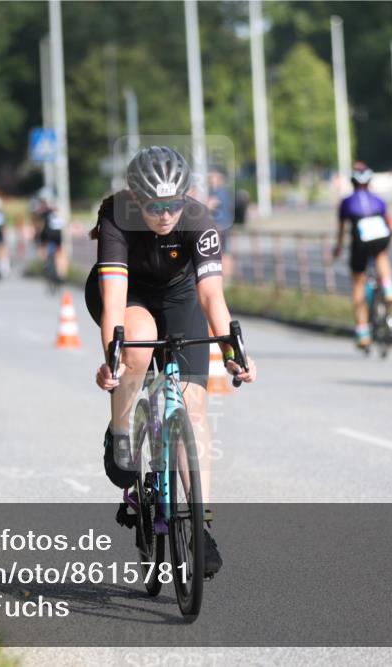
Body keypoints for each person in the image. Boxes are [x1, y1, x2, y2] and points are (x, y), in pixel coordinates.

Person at [86, 146, 257, 576]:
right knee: (139, 343)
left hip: (180, 297)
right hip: (130, 294)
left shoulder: (198, 220)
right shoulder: (117, 218)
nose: (166, 215)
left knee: (193, 407)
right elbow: (113, 304)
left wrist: (234, 354)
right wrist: (112, 360)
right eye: (155, 207)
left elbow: (211, 297)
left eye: (174, 205)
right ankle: (120, 430)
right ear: (136, 199)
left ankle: (200, 526)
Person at [333, 162, 392, 349]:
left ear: (352, 183)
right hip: (381, 237)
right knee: (381, 255)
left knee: (358, 283)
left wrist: (338, 249)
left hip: (360, 242)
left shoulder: (346, 202)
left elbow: (341, 231)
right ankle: (389, 287)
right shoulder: (379, 200)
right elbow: (387, 224)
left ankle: (362, 332)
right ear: (369, 182)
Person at [207, 169, 234, 282]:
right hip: (225, 225)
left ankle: (225, 277)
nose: (210, 180)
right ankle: (228, 277)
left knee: (221, 252)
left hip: (219, 226)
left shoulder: (218, 192)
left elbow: (209, 206)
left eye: (212, 177)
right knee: (225, 251)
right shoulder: (225, 192)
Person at [36, 190, 67, 280]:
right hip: (58, 232)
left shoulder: (43, 209)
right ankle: (62, 274)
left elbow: (40, 224)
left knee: (43, 246)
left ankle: (46, 263)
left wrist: (38, 235)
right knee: (60, 252)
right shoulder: (58, 206)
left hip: (48, 232)